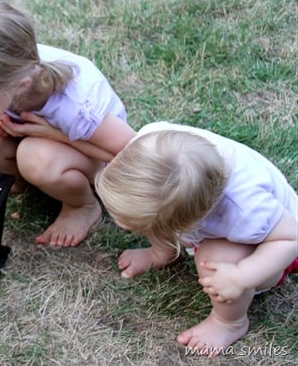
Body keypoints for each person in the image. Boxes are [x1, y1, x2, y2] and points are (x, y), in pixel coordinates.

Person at [0, 0, 136, 247]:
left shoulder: (76, 105)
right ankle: (25, 180)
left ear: (19, 86)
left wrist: (53, 134)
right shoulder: (7, 70)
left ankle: (81, 204)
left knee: (35, 157)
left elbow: (130, 153)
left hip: (99, 159)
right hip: (42, 141)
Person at [95, 121, 298, 355]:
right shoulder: (151, 142)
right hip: (187, 205)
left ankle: (229, 322)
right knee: (152, 202)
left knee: (214, 259)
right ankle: (163, 252)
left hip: (272, 245)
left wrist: (243, 275)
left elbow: (290, 238)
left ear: (189, 224)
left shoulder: (246, 211)